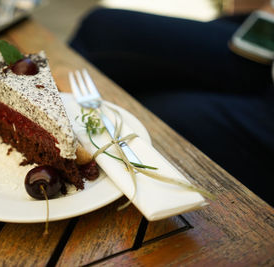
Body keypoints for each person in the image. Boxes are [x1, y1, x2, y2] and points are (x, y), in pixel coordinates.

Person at [69, 5, 274, 206]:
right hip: (265, 42)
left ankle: (69, 145)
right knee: (99, 27)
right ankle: (63, 120)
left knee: (143, 114)